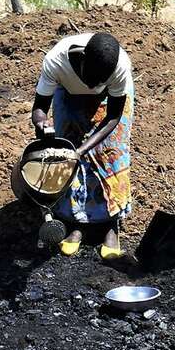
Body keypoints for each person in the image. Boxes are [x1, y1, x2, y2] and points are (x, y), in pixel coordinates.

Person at [30, 32, 135, 260]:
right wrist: (41, 124)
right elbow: (39, 107)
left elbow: (113, 118)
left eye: (101, 80)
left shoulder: (120, 68)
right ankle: (77, 222)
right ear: (83, 58)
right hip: (68, 93)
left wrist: (82, 151)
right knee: (67, 152)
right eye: (92, 77)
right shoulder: (57, 61)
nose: (94, 84)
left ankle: (111, 225)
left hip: (110, 101)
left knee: (111, 154)